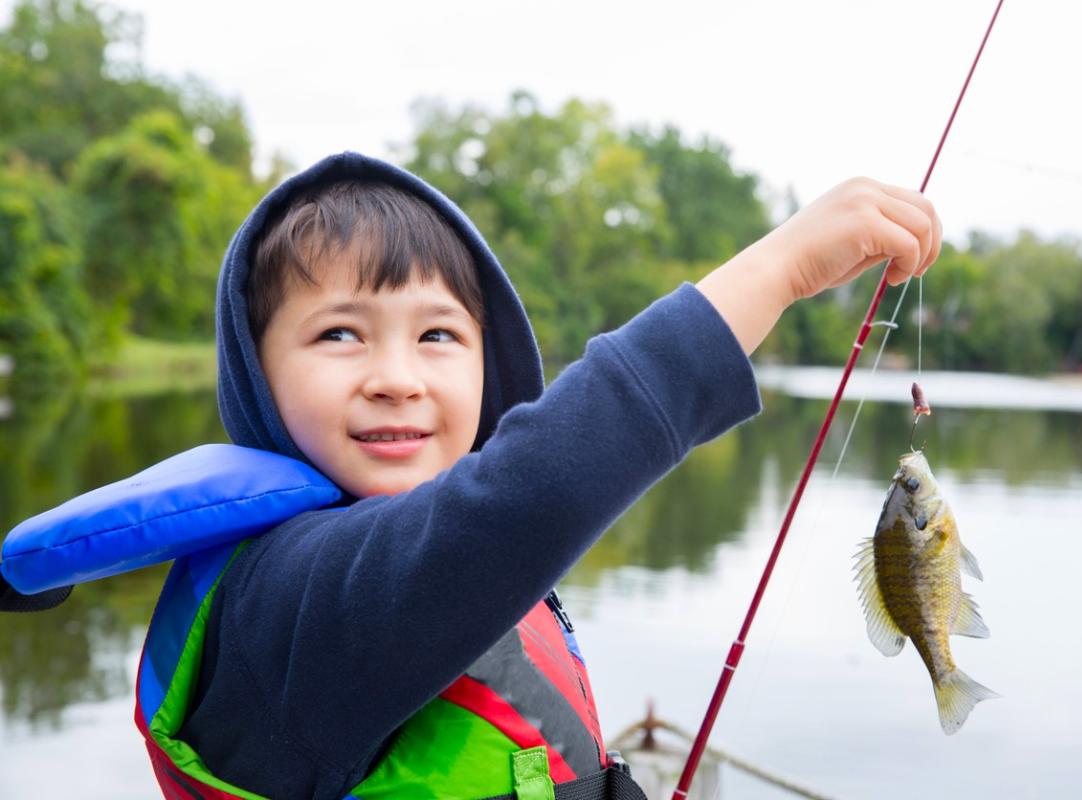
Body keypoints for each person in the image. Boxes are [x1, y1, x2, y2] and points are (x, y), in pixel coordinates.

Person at [129, 151, 938, 798]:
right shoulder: (289, 605)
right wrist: (783, 271)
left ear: (490, 367)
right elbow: (524, 499)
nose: (396, 378)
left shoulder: (412, 568)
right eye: (339, 334)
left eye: (437, 336)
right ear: (256, 374)